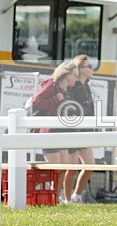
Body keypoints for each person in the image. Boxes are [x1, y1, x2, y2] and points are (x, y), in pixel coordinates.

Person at [29, 61, 79, 201]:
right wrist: (55, 99)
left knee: (62, 169)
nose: (77, 78)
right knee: (54, 169)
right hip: (50, 132)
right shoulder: (51, 86)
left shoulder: (66, 90)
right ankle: (39, 195)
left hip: (62, 132)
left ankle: (54, 199)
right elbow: (36, 102)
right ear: (67, 75)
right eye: (75, 75)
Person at [63, 55, 96, 203]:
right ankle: (66, 198)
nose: (92, 69)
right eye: (89, 66)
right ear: (81, 70)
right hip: (75, 131)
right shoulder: (74, 87)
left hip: (86, 131)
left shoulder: (86, 86)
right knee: (72, 167)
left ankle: (76, 195)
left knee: (89, 165)